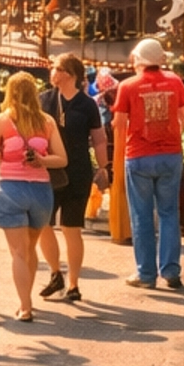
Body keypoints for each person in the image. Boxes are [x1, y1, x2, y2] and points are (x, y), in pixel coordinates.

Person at [0, 70, 67, 324]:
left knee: (18, 253)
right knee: (30, 249)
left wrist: (3, 150)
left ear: (9, 93)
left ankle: (25, 306)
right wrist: (40, 159)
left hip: (12, 189)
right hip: (41, 191)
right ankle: (27, 300)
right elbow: (62, 159)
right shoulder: (47, 122)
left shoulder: (1, 122)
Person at [114, 37, 184, 292]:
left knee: (142, 215)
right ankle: (171, 271)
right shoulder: (174, 81)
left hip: (139, 154)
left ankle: (146, 274)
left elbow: (120, 123)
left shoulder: (128, 86)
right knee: (170, 213)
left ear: (138, 59)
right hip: (170, 154)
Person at [39, 55, 109, 304]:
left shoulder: (86, 104)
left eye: (58, 68)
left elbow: (99, 139)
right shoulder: (45, 99)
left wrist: (103, 167)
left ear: (70, 74)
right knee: (43, 224)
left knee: (71, 228)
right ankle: (55, 272)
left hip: (78, 171)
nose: (53, 72)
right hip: (48, 170)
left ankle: (73, 284)